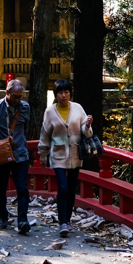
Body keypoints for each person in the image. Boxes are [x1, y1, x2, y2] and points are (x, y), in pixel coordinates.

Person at [38, 78, 93, 237]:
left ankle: (67, 220)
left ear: (70, 93)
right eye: (60, 92)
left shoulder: (78, 108)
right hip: (58, 155)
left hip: (76, 155)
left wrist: (88, 125)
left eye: (66, 92)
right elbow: (45, 135)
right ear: (55, 95)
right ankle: (62, 221)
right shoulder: (50, 112)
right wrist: (43, 154)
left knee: (70, 189)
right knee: (62, 187)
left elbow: (87, 132)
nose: (64, 95)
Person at [0, 79, 31, 234]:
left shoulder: (25, 108)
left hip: (20, 153)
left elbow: (27, 128)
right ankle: (2, 217)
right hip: (2, 154)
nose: (18, 100)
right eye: (15, 96)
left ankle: (23, 220)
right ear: (7, 93)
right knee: (1, 187)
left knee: (22, 188)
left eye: (20, 96)